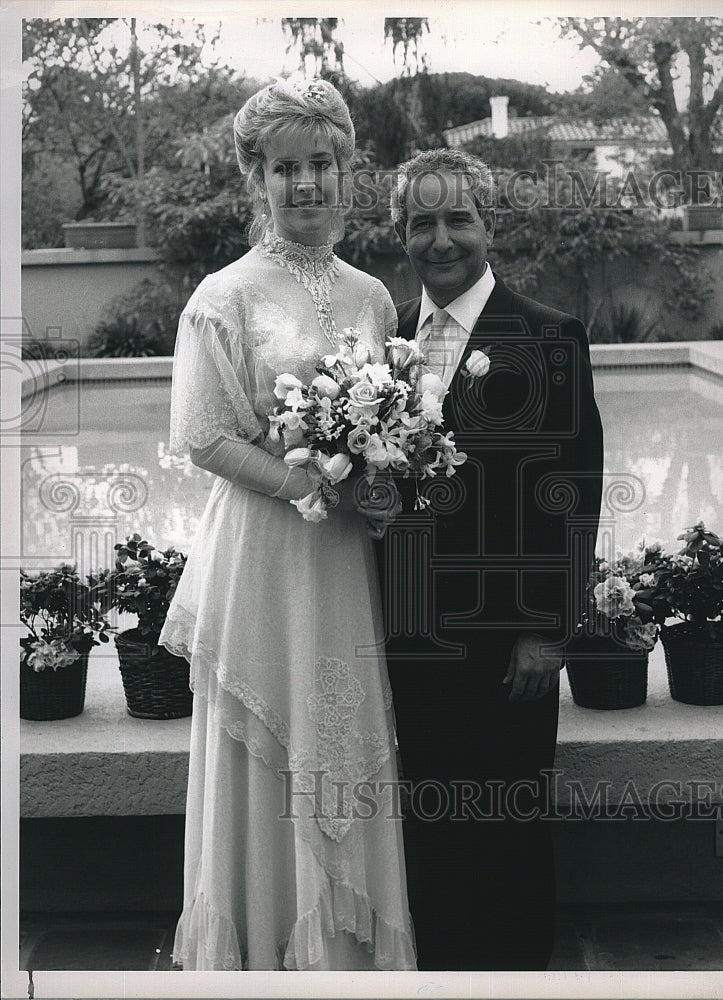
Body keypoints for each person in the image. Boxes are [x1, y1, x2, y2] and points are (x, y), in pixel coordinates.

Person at [158, 78, 416, 972]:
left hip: (341, 564)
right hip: (265, 554)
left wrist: (378, 489)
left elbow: (389, 433)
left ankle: (344, 959)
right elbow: (202, 438)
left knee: (340, 728)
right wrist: (310, 485)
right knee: (267, 744)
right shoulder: (223, 296)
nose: (304, 184)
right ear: (254, 177)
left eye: (321, 163)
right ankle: (261, 953)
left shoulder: (374, 298)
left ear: (347, 169)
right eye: (283, 169)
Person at [378, 148, 604, 971]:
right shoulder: (384, 339)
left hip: (507, 644)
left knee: (505, 827)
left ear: (487, 226)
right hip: (406, 634)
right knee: (424, 826)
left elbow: (574, 496)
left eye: (457, 219)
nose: (440, 240)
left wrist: (548, 633)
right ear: (401, 235)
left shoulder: (547, 336)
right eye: (420, 223)